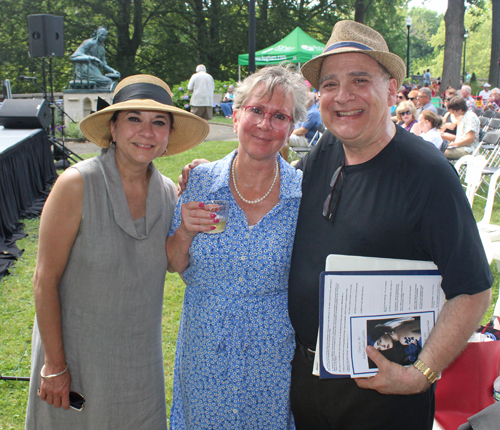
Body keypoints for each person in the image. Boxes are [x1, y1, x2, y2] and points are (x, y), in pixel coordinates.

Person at [289, 20, 492, 429]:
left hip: (382, 400)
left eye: (359, 79)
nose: (342, 96)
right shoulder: (325, 149)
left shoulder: (427, 174)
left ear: (392, 89)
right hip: (308, 385)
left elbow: (472, 292)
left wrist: (422, 374)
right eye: (329, 84)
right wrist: (218, 175)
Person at [25, 74, 209, 429]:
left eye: (159, 122)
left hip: (139, 369)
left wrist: (198, 191)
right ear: (112, 127)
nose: (147, 131)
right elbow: (44, 280)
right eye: (134, 119)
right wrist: (55, 365)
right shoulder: (76, 184)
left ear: (169, 136)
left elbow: (174, 263)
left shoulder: (168, 193)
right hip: (75, 362)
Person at [166, 64, 308, 429]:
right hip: (204, 346)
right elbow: (173, 263)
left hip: (272, 353)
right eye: (256, 110)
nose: (265, 124)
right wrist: (184, 232)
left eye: (279, 116)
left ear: (291, 128)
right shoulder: (198, 180)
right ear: (236, 115)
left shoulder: (303, 195)